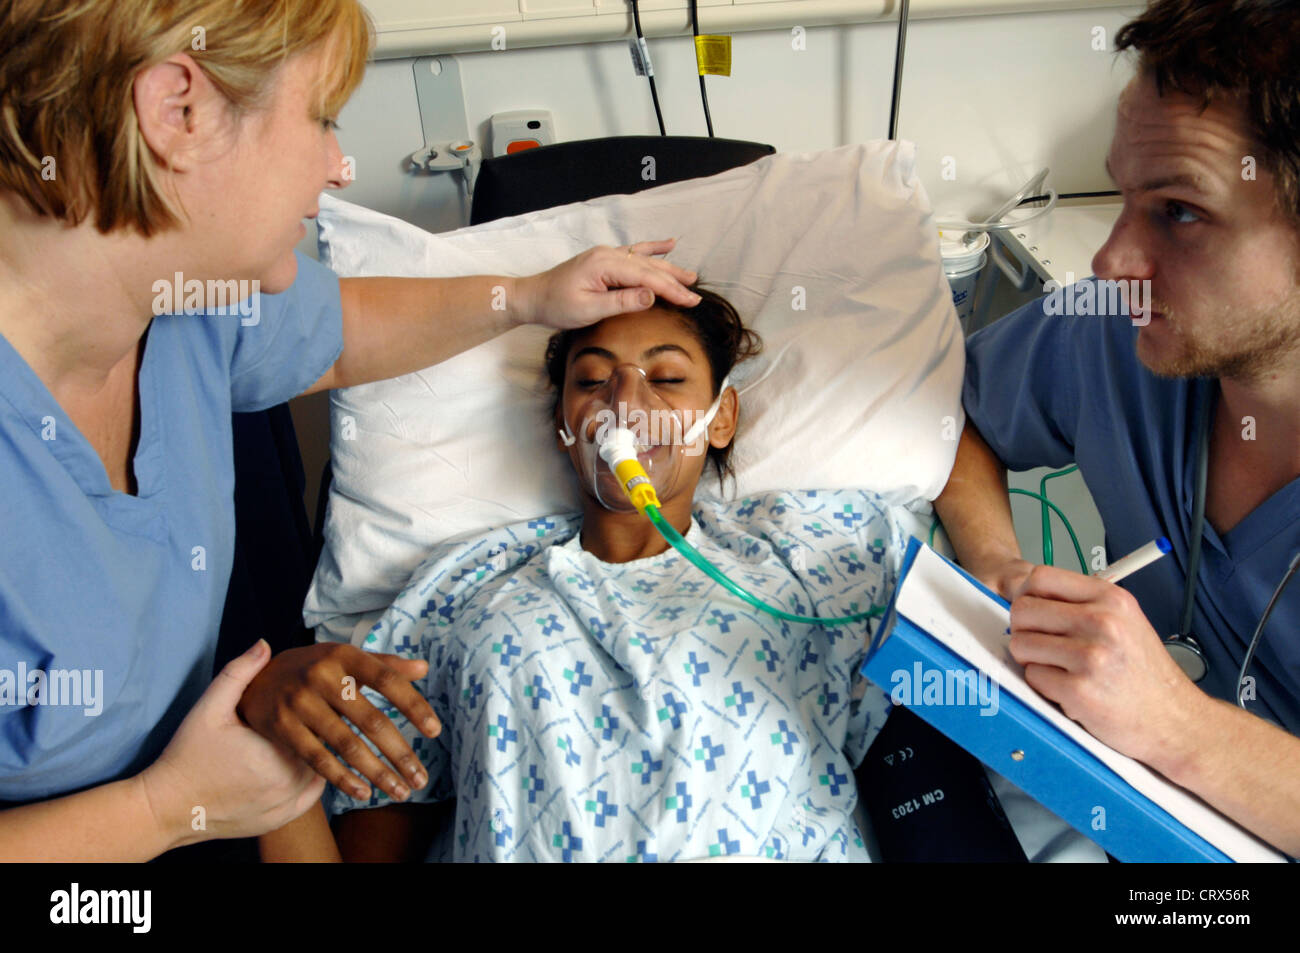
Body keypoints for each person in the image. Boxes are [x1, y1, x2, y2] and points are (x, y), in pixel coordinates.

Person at [0, 0, 700, 861]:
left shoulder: (187, 299)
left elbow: (337, 331)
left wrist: (524, 298)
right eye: (322, 118)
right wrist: (165, 806)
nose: (339, 167)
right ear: (176, 111)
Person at [252, 289, 908, 862]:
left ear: (723, 417)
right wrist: (259, 711)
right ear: (564, 425)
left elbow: (970, 657)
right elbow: (373, 809)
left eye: (668, 378)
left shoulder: (810, 557)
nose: (625, 399)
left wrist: (999, 569)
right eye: (592, 380)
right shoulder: (468, 591)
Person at [934, 0, 1300, 856]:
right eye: (1124, 195)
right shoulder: (1122, 333)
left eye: (1177, 211)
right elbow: (946, 408)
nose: (1109, 259)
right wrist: (999, 565)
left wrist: (1182, 728)